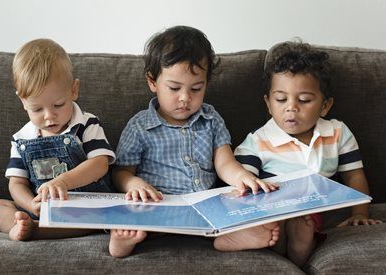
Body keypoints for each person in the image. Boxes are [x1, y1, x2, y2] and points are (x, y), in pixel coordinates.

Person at [109, 26, 280, 258]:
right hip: (158, 206)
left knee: (239, 205)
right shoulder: (140, 125)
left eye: (196, 89)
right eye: (174, 88)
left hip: (206, 207)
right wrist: (133, 184)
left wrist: (242, 178)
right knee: (129, 213)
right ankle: (124, 241)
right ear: (152, 81)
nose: (185, 98)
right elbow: (120, 172)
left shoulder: (211, 119)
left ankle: (227, 236)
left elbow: (224, 162)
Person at [234, 41, 383, 267]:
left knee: (304, 224)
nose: (291, 107)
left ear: (325, 106)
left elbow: (354, 176)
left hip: (320, 210)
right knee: (277, 220)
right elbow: (242, 184)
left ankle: (299, 247)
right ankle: (282, 241)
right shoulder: (258, 141)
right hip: (276, 208)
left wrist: (360, 213)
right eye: (281, 99)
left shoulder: (337, 132)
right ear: (268, 104)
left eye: (304, 100)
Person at [0, 39, 116, 241]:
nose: (49, 116)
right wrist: (31, 204)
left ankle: (37, 230)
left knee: (98, 216)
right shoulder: (21, 139)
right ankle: (19, 225)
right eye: (37, 109)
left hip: (81, 207)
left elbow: (100, 164)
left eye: (58, 105)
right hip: (39, 208)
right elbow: (16, 183)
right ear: (23, 101)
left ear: (74, 90)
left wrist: (63, 181)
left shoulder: (86, 125)